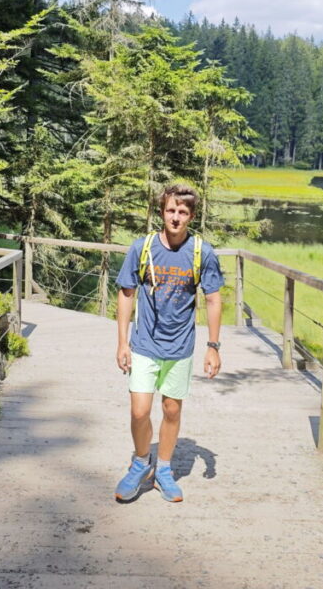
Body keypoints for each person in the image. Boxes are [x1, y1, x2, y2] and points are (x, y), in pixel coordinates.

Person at [114, 184, 224, 503]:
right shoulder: (143, 247)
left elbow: (214, 299)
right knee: (139, 411)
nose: (176, 217)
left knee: (172, 410)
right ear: (162, 211)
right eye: (171, 210)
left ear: (191, 216)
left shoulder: (202, 253)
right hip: (144, 343)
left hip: (180, 347)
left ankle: (163, 470)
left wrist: (213, 346)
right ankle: (140, 462)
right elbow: (126, 293)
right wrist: (122, 342)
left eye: (183, 212)